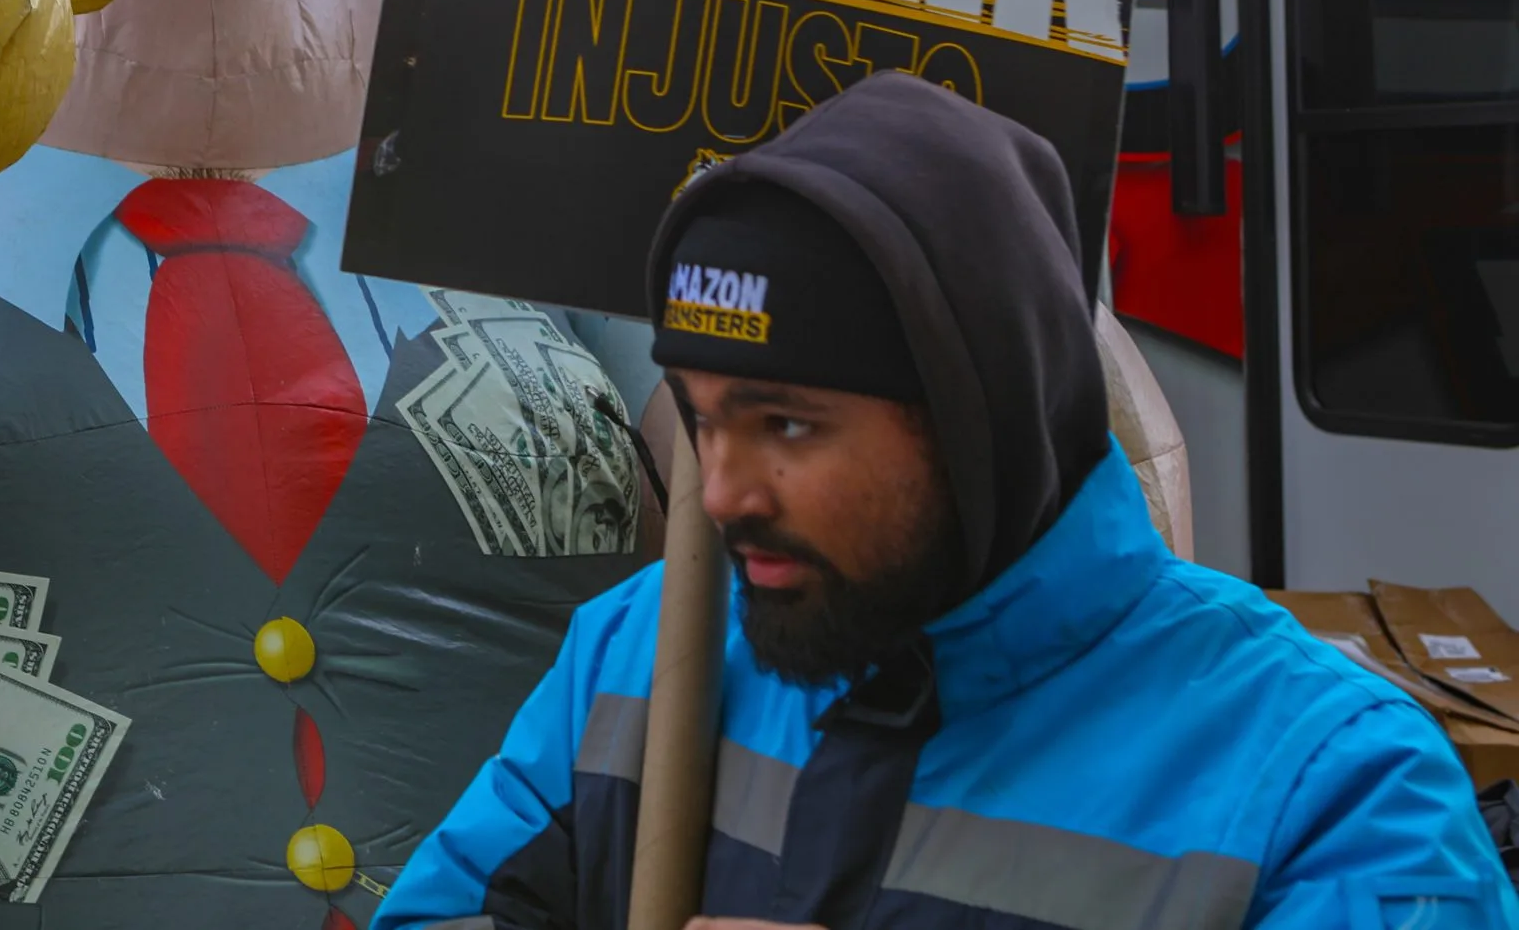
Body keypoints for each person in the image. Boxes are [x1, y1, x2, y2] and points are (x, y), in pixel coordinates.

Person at [377, 72, 1519, 929]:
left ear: (979, 418)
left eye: (786, 424)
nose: (718, 493)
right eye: (699, 414)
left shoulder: (1330, 789)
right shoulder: (635, 654)